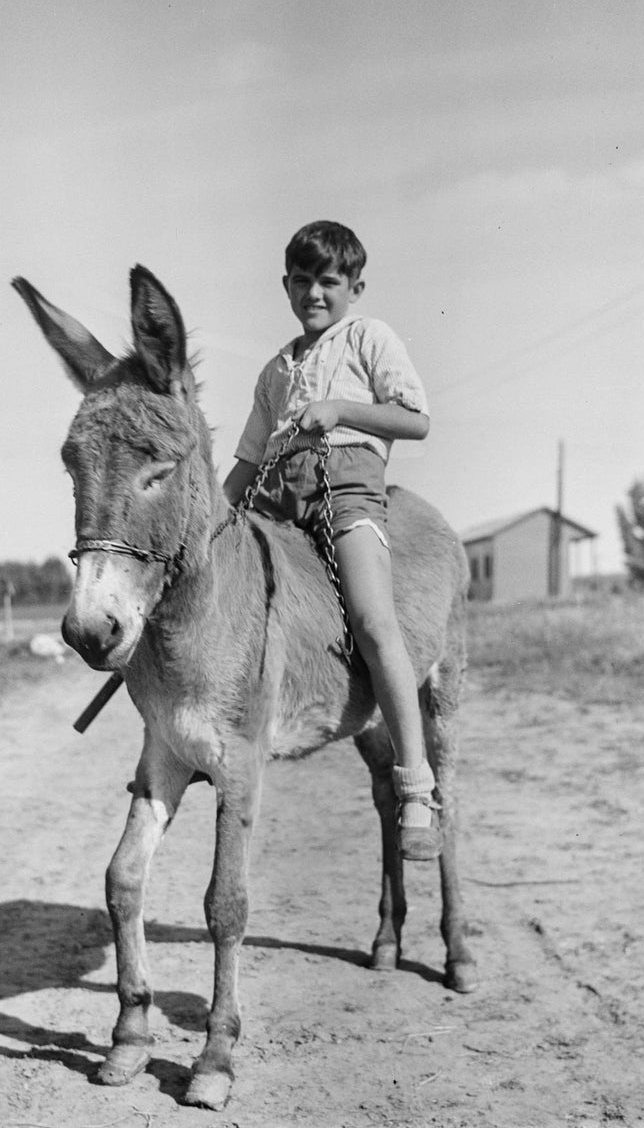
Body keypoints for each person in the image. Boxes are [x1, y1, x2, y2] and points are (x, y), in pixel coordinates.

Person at [223, 220, 441, 860]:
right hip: (275, 499)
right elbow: (245, 461)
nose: (314, 293)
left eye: (328, 282)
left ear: (354, 288)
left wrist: (340, 411)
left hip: (346, 490)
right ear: (285, 285)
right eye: (301, 281)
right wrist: (208, 524)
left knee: (374, 621)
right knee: (221, 603)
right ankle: (207, 744)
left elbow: (417, 420)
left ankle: (416, 788)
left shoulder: (369, 337)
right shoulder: (276, 370)